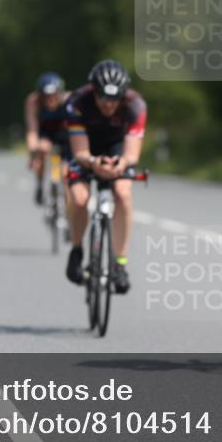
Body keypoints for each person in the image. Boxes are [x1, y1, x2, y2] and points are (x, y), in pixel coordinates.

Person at [63, 60, 147, 294]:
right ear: (94, 92)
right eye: (103, 99)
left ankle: (120, 264)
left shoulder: (136, 105)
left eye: (114, 100)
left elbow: (132, 153)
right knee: (79, 199)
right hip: (85, 148)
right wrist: (92, 163)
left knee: (123, 193)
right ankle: (77, 249)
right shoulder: (77, 102)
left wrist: (121, 164)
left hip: (116, 146)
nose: (109, 105)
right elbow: (80, 152)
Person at [24, 72, 72, 206]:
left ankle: (69, 211)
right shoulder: (33, 102)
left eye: (54, 96)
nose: (50, 100)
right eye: (46, 97)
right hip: (45, 134)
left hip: (65, 135)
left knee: (66, 174)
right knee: (41, 150)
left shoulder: (70, 99)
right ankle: (39, 184)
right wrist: (33, 154)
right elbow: (32, 130)